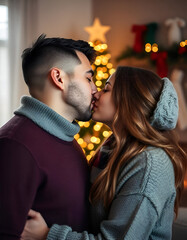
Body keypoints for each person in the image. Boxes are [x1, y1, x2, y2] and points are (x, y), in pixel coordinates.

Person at [21, 66, 187, 240]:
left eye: (106, 89)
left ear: (129, 101)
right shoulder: (112, 148)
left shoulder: (149, 165)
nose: (96, 94)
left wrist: (47, 234)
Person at [0, 34, 98, 239]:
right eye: (88, 78)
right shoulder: (15, 146)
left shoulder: (66, 137)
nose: (95, 90)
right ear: (59, 78)